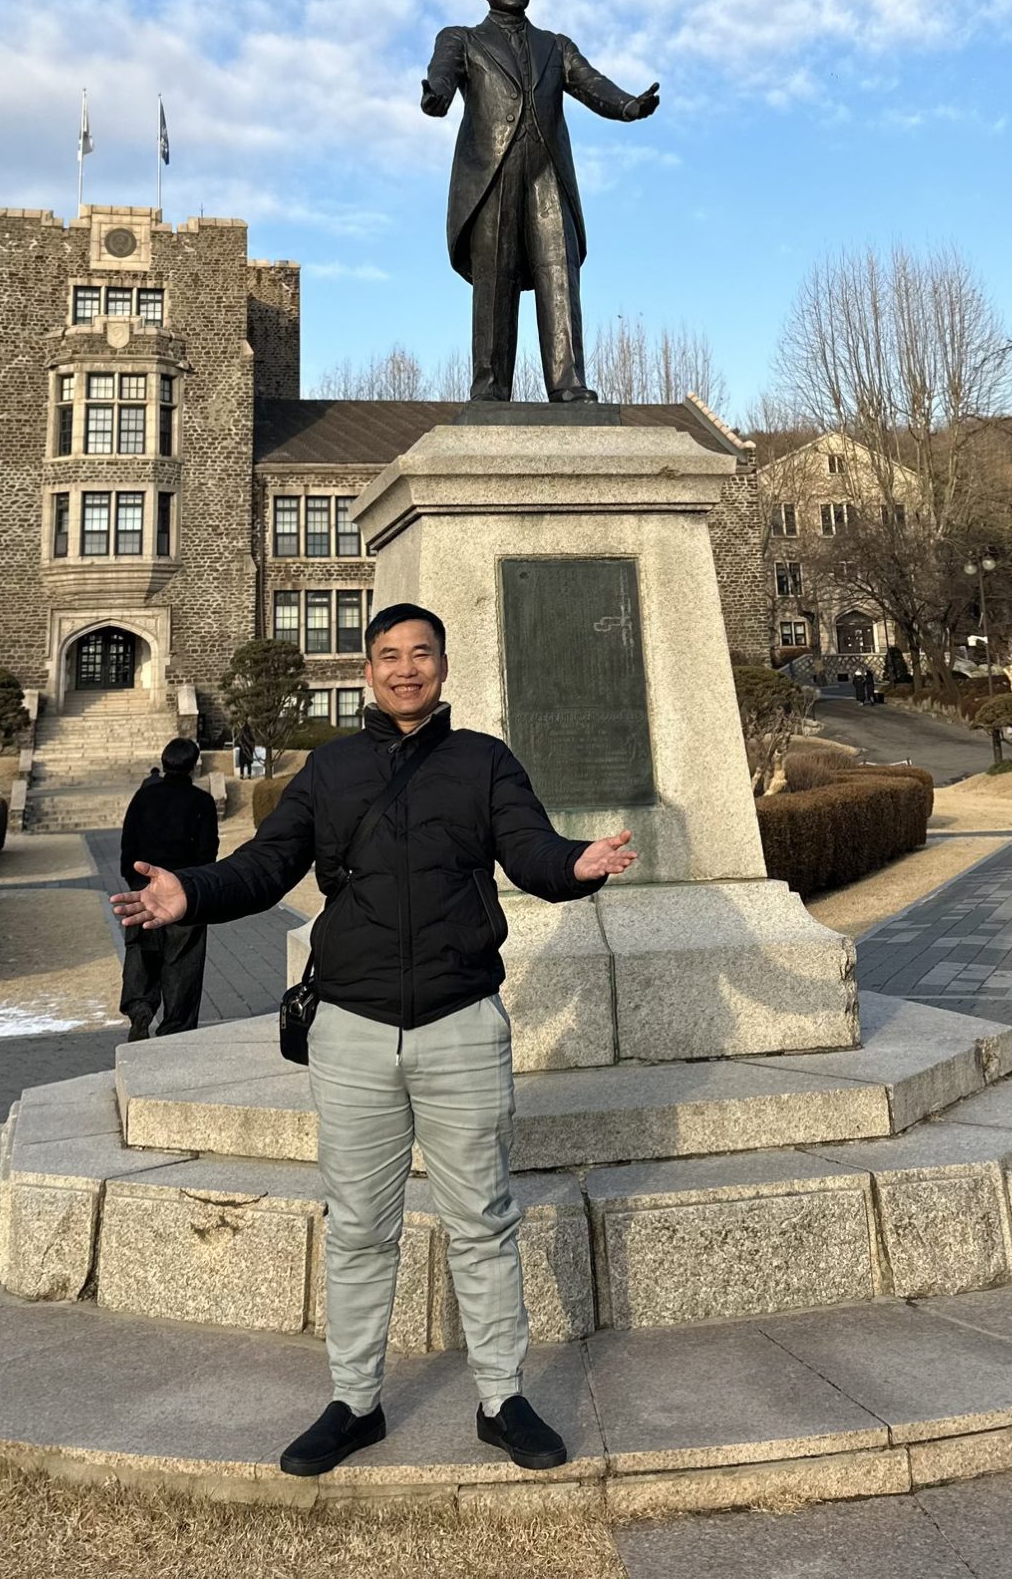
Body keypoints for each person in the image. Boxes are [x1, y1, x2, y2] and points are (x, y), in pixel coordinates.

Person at [112, 603, 635, 1479]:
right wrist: (191, 893)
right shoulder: (331, 768)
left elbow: (531, 851)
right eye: (388, 655)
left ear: (442, 665)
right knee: (358, 1227)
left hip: (461, 1023)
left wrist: (575, 866)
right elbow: (267, 864)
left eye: (420, 654)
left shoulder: (485, 762)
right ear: (367, 672)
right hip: (352, 1030)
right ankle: (355, 1401)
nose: (405, 669)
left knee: (482, 1220)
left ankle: (501, 1397)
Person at [421, 0, 659, 402]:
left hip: (547, 174)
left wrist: (628, 105)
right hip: (492, 178)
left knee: (559, 274)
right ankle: (490, 388)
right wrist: (437, 94)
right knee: (495, 280)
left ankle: (568, 384)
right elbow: (442, 73)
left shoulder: (555, 46)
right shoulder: (461, 39)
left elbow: (591, 83)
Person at [116, 738, 219, 1041]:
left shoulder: (144, 797)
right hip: (184, 889)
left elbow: (128, 842)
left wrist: (134, 880)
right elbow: (208, 850)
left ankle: (140, 1009)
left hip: (144, 887)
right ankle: (177, 1026)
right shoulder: (201, 801)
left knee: (141, 952)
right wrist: (199, 886)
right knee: (183, 961)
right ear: (193, 765)